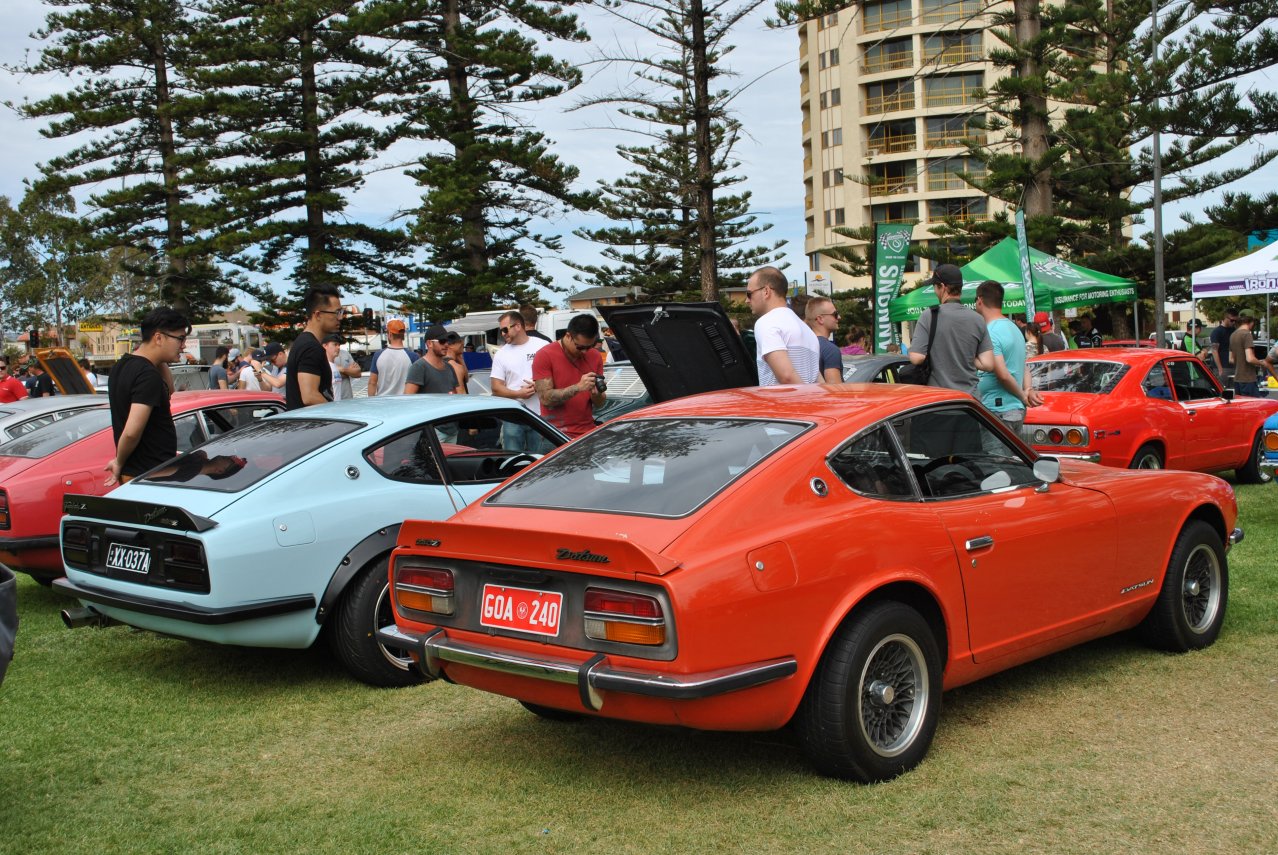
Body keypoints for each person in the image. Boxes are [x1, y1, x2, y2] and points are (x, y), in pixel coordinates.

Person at [105, 306, 188, 486]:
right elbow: (131, 432)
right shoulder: (147, 375)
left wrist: (160, 359)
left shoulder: (122, 365)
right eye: (180, 339)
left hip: (141, 474)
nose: (184, 346)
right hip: (151, 476)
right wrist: (118, 461)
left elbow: (169, 392)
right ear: (158, 337)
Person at [907, 263, 995, 395]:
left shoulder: (929, 315)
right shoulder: (977, 319)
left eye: (935, 287)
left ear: (942, 287)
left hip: (941, 401)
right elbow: (988, 364)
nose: (935, 291)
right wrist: (966, 355)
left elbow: (916, 358)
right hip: (970, 403)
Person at [975, 281, 1042, 442]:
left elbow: (1003, 375)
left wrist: (1023, 395)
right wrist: (1028, 389)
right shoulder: (1014, 329)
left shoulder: (991, 332)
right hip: (1014, 410)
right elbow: (1023, 366)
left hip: (998, 410)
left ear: (979, 301)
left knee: (997, 465)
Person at [532, 313, 607, 438]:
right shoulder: (545, 355)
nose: (585, 352)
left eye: (590, 346)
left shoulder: (595, 356)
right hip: (555, 434)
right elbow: (545, 398)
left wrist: (597, 395)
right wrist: (577, 387)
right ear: (568, 336)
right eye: (580, 347)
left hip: (587, 432)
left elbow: (599, 403)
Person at [746, 266, 820, 385]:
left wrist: (804, 401)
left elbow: (787, 377)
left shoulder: (767, 322)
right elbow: (818, 379)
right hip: (809, 401)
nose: (747, 300)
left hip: (782, 402)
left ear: (766, 291)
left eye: (749, 294)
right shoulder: (807, 330)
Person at [490, 310, 551, 449]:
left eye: (505, 330)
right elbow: (495, 388)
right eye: (501, 331)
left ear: (517, 326)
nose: (503, 334)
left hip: (540, 415)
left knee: (541, 461)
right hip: (513, 416)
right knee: (512, 461)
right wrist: (518, 394)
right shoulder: (501, 354)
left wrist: (540, 385)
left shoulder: (543, 345)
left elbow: (557, 374)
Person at [285, 284, 342, 409]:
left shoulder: (304, 342)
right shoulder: (311, 347)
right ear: (318, 315)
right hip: (309, 425)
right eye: (337, 313)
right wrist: (337, 413)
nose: (340, 318)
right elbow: (309, 396)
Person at [366, 318, 419, 397]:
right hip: (405, 403)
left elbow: (372, 382)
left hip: (383, 403)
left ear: (390, 334)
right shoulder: (413, 357)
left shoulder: (378, 355)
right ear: (403, 335)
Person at [404, 324, 464, 394]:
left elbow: (454, 394)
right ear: (429, 343)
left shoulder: (449, 367)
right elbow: (408, 398)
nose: (446, 344)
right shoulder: (419, 367)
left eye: (447, 341)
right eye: (442, 341)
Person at [804, 297, 844, 384]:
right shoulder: (830, 350)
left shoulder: (802, 346)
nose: (839, 317)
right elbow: (835, 390)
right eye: (835, 314)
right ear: (820, 319)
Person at [1229, 314, 1263, 397]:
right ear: (1251, 323)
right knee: (1253, 406)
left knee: (1242, 407)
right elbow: (1250, 358)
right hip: (1248, 378)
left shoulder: (1233, 335)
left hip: (1237, 379)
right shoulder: (1247, 334)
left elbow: (1231, 359)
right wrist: (1261, 363)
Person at [1210, 307, 1239, 382]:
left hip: (1234, 366)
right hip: (1223, 367)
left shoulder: (1234, 330)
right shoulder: (1217, 332)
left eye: (1236, 321)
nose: (1234, 323)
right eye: (1232, 320)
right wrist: (1220, 368)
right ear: (1226, 318)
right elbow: (1214, 351)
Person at [322, 335, 347, 400]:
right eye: (335, 344)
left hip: (337, 406)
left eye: (339, 345)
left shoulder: (334, 366)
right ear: (325, 346)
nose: (338, 347)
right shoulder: (323, 367)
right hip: (329, 407)